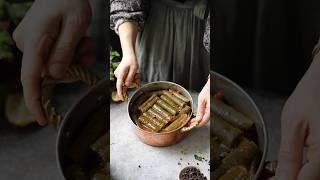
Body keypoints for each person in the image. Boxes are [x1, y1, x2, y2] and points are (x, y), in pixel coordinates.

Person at [110, 0, 211, 127]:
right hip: (154, 27)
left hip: (201, 31)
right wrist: (128, 53)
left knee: (199, 100)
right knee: (147, 87)